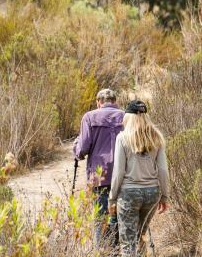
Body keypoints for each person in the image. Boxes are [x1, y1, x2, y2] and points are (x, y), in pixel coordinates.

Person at [108, 100, 170, 257]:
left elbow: (118, 171)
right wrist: (165, 196)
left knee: (128, 243)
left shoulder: (122, 138)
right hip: (152, 194)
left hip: (129, 194)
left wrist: (112, 198)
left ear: (128, 117)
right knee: (140, 236)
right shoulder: (157, 137)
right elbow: (163, 170)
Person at [73, 88, 124, 246]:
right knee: (118, 214)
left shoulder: (89, 117)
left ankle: (101, 250)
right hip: (123, 173)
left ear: (98, 102)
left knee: (100, 216)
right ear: (115, 102)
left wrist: (76, 148)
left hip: (99, 174)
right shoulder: (125, 116)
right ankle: (116, 249)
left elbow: (83, 148)